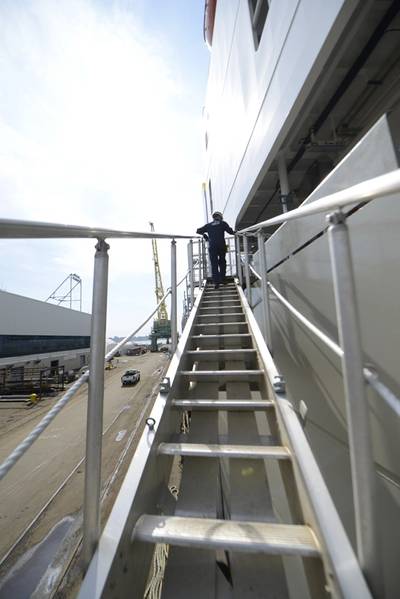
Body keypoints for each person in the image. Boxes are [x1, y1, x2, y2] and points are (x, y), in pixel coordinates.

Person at [196, 211, 235, 289]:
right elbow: (230, 232)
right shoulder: (223, 223)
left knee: (214, 264)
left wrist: (205, 236)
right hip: (221, 246)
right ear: (220, 217)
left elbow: (198, 230)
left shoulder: (208, 225)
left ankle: (216, 282)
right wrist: (235, 232)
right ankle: (222, 279)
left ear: (214, 217)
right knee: (222, 262)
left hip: (212, 246)